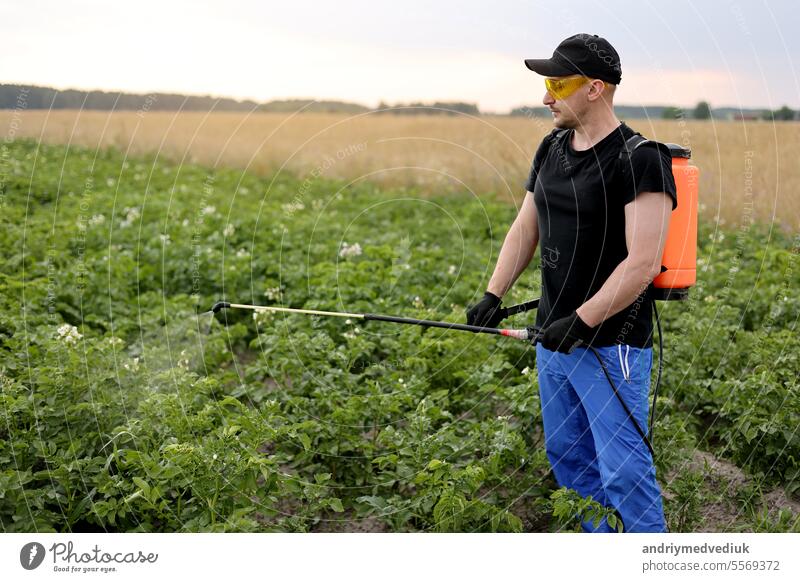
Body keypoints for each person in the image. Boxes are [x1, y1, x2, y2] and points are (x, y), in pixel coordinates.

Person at [466, 34, 677, 533]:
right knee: (569, 459)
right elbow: (527, 226)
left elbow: (643, 263)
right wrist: (493, 294)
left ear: (595, 88)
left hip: (611, 345)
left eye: (556, 84)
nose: (545, 97)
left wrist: (581, 321)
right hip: (553, 338)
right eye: (546, 84)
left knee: (623, 470)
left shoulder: (641, 158)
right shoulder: (552, 148)